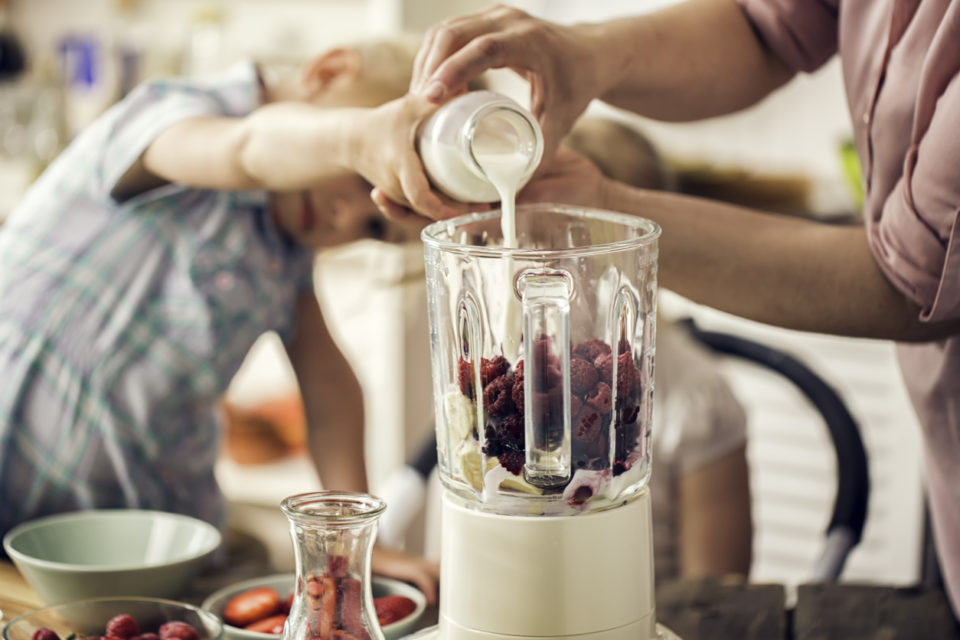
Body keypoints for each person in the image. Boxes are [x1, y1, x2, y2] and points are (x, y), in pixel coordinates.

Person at [370, 0, 960, 616]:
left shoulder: (692, 407)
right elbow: (770, 27)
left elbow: (916, 278)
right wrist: (588, 54)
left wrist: (604, 206)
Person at [0, 38, 451, 602]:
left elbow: (329, 385)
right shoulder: (180, 116)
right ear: (329, 72)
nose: (349, 214)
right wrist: (353, 140)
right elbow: (246, 149)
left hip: (155, 546)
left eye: (375, 227)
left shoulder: (288, 258)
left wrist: (354, 543)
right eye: (363, 177)